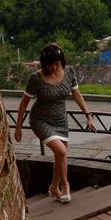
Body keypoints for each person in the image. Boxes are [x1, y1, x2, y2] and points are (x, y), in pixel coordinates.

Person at [14, 43, 95, 203]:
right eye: (50, 64)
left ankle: (53, 187)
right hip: (40, 121)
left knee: (59, 155)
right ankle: (65, 186)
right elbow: (24, 103)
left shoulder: (69, 73)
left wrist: (88, 116)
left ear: (61, 61)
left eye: (57, 64)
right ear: (44, 64)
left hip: (61, 120)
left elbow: (77, 95)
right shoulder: (35, 79)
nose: (53, 67)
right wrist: (18, 127)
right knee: (62, 152)